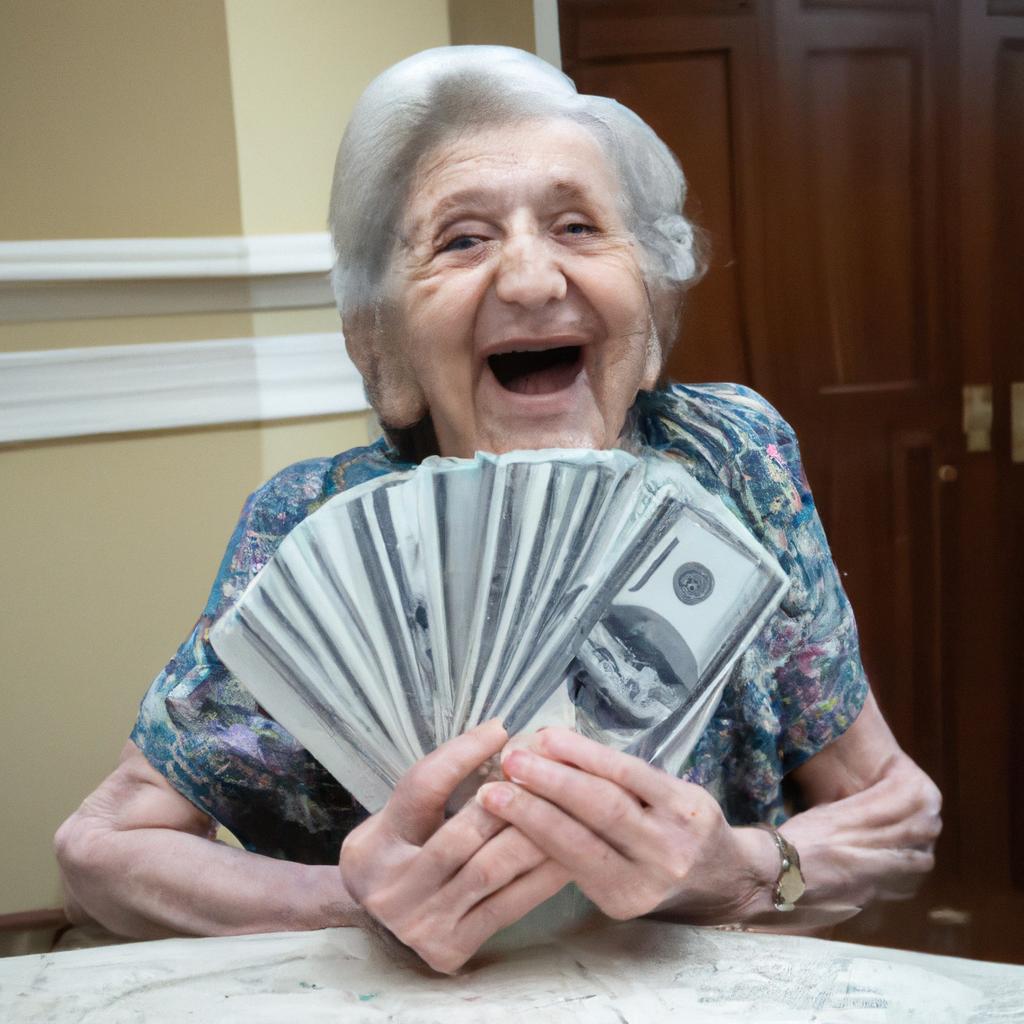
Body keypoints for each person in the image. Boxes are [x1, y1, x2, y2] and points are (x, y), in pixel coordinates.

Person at [55, 47, 942, 974]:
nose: (530, 280)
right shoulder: (311, 522)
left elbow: (899, 814)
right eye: (462, 240)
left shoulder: (730, 458)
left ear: (650, 317)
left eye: (576, 226)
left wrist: (741, 871)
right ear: (381, 350)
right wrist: (348, 904)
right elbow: (98, 856)